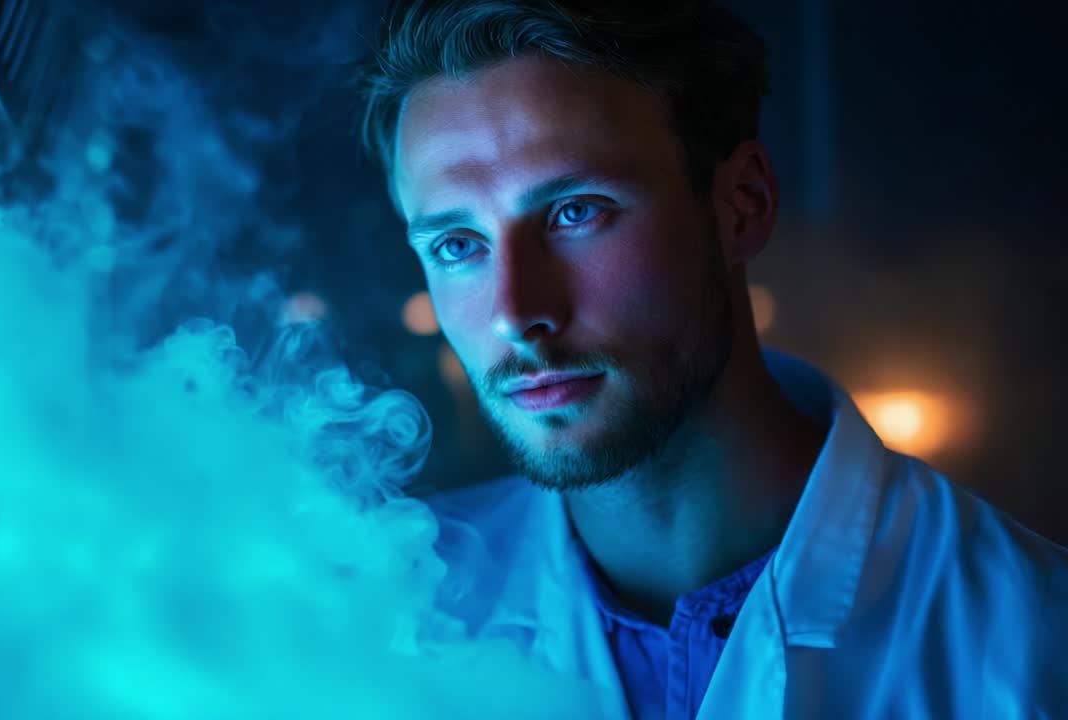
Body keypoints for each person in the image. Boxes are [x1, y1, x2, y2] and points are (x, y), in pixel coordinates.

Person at [355, 1, 1068, 718]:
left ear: (742, 206)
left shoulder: (1033, 648)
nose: (515, 312)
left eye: (576, 212)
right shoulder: (381, 617)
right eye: (456, 246)